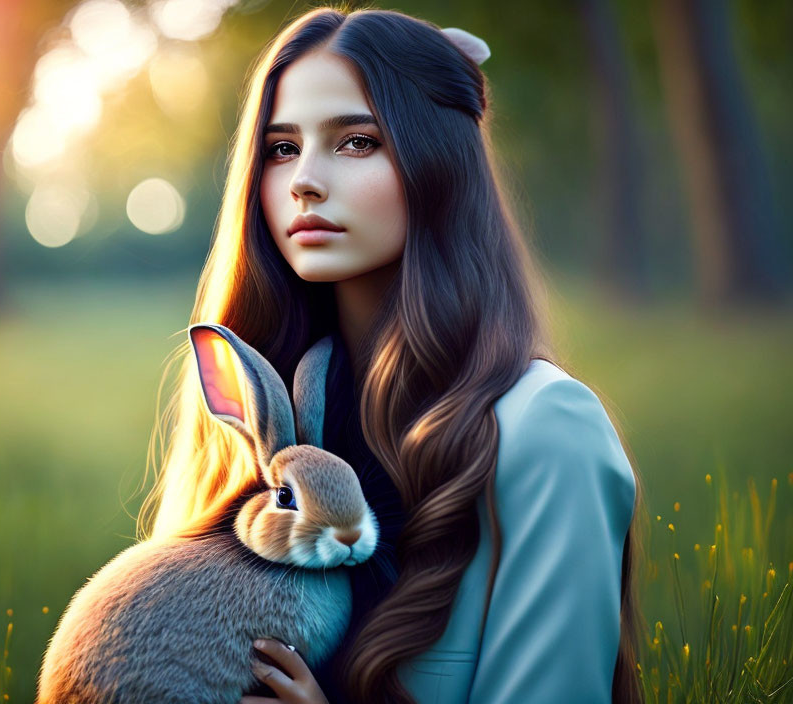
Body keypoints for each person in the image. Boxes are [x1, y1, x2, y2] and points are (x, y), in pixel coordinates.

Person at [137, 6, 644, 704]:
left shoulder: (544, 429)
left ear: (437, 161)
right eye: (281, 149)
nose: (304, 181)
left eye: (356, 142)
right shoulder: (273, 430)